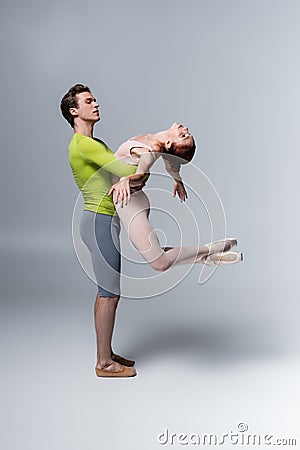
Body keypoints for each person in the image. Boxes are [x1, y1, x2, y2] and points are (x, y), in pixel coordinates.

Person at [60, 83, 241, 378]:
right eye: (89, 101)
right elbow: (129, 172)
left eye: (94, 100)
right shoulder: (85, 144)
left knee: (110, 293)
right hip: (98, 221)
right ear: (74, 111)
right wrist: (131, 177)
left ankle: (106, 353)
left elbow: (126, 172)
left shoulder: (93, 143)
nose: (96, 104)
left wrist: (140, 177)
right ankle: (104, 363)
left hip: (103, 220)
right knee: (109, 294)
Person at [109, 123, 242, 270]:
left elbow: (142, 175)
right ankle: (201, 258)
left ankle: (212, 248)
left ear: (168, 143)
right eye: (186, 133)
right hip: (134, 200)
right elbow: (170, 161)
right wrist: (177, 180)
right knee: (155, 254)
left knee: (160, 263)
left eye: (183, 136)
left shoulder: (151, 150)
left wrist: (126, 179)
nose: (184, 129)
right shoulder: (158, 143)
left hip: (129, 203)